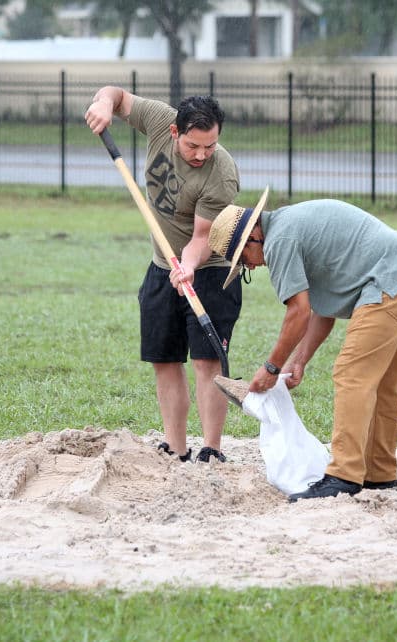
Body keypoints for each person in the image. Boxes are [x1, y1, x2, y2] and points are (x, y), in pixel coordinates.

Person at [207, 191, 397, 500]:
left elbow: (299, 312)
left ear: (252, 237)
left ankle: (344, 475)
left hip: (388, 283)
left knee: (352, 374)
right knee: (382, 380)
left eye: (243, 260)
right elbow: (322, 309)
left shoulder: (279, 241)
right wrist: (299, 360)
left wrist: (271, 367)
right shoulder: (290, 225)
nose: (251, 267)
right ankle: (380, 474)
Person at [85, 86, 242, 463]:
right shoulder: (159, 120)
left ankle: (211, 449)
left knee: (207, 361)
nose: (203, 154)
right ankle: (176, 447)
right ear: (175, 132)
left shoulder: (222, 175)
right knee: (165, 357)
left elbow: (202, 238)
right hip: (161, 265)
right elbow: (117, 95)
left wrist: (187, 266)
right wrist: (103, 106)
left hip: (210, 270)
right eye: (193, 146)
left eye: (210, 146)